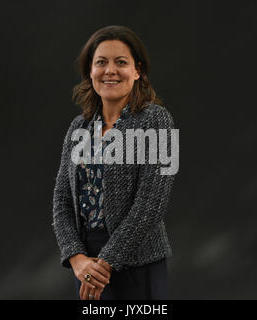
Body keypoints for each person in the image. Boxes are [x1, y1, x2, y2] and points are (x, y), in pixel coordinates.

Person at [52, 25, 177, 300]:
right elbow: (61, 201)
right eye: (101, 63)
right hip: (87, 265)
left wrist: (106, 263)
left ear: (137, 71)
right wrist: (76, 258)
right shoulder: (78, 128)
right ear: (90, 72)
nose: (110, 70)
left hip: (139, 261)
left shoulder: (157, 121)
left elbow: (151, 204)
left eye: (121, 62)